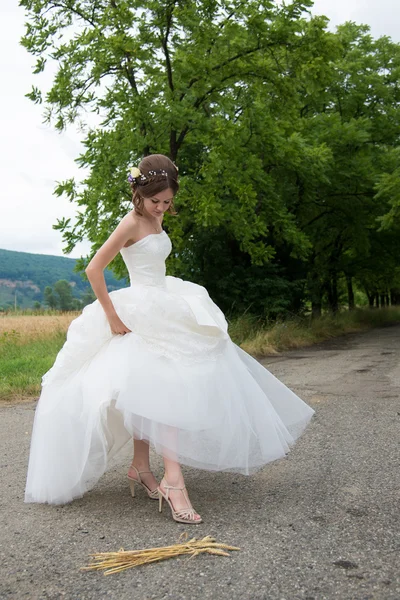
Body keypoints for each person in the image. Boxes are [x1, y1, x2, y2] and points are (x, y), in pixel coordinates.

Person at [25, 153, 315, 524]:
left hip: (164, 301)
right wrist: (112, 317)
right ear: (138, 195)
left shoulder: (158, 218)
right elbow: (94, 267)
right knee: (163, 386)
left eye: (167, 202)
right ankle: (173, 480)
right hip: (137, 310)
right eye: (155, 201)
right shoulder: (130, 222)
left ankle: (141, 467)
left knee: (156, 386)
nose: (161, 208)